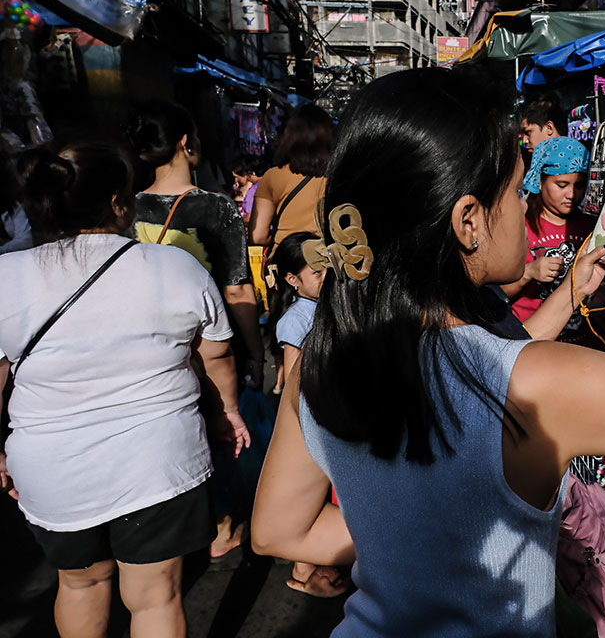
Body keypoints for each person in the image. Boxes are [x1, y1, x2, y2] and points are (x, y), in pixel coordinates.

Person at [251, 67, 605, 637]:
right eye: (519, 189)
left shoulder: (326, 361)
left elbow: (279, 532)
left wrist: (404, 530)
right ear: (468, 220)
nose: (526, 207)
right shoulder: (522, 380)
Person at [0, 143, 250, 638]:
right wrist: (227, 414)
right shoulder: (175, 267)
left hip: (52, 467)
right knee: (156, 598)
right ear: (118, 203)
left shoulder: (5, 276)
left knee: (78, 587)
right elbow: (216, 356)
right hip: (158, 461)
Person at [126, 99, 264, 560]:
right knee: (222, 429)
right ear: (186, 143)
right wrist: (254, 350)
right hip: (204, 347)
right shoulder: (215, 209)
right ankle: (221, 526)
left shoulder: (125, 208)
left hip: (141, 350)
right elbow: (239, 292)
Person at [263, 231, 349, 598]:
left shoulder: (328, 306)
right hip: (314, 422)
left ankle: (311, 565)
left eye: (330, 268)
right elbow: (296, 378)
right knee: (312, 498)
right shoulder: (296, 320)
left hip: (333, 414)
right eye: (317, 272)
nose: (327, 277)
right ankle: (302, 571)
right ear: (292, 280)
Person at [501, 136, 594, 327]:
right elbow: (496, 292)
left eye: (579, 185)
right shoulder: (520, 227)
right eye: (561, 185)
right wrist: (529, 272)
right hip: (533, 344)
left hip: (585, 345)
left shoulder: (592, 227)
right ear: (540, 182)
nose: (571, 194)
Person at [249, 103, 333, 257]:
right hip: (325, 261)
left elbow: (258, 236)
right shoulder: (337, 176)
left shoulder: (273, 176)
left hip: (286, 262)